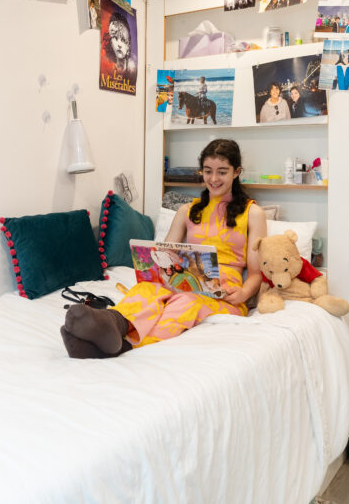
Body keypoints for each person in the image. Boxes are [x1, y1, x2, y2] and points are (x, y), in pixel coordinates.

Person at [60, 139, 266, 358]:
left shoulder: (252, 213)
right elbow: (163, 253)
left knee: (185, 302)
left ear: (236, 172)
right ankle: (114, 322)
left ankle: (122, 346)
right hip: (183, 280)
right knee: (146, 290)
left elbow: (255, 274)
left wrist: (243, 293)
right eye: (208, 171)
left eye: (222, 172)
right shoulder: (187, 211)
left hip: (224, 293)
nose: (214, 179)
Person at [103, 11, 134, 78]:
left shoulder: (132, 71)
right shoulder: (109, 72)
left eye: (123, 40)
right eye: (116, 38)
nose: (119, 44)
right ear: (111, 43)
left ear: (128, 46)